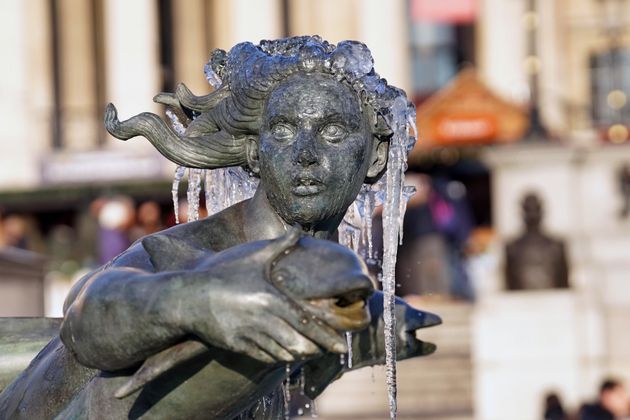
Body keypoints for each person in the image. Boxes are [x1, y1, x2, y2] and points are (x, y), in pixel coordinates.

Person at [0, 37, 432, 418]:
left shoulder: (319, 275)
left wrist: (360, 330)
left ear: (376, 157)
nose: (305, 154)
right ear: (255, 152)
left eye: (332, 133)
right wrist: (196, 301)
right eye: (281, 131)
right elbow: (85, 317)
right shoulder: (194, 255)